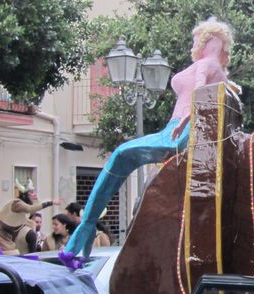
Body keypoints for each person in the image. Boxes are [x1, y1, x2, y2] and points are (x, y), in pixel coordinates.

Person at [64, 18, 234, 260]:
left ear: (207, 41)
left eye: (196, 39)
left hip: (180, 129)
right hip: (181, 127)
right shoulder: (218, 73)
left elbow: (200, 93)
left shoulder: (206, 65)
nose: (192, 44)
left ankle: (87, 226)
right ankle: (87, 227)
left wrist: (187, 119)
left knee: (120, 155)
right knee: (123, 156)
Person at [0, 182, 61, 255]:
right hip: (0, 236)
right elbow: (30, 209)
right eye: (31, 192)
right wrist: (51, 203)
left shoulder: (24, 214)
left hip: (8, 237)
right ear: (25, 195)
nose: (34, 194)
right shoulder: (17, 204)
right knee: (12, 254)